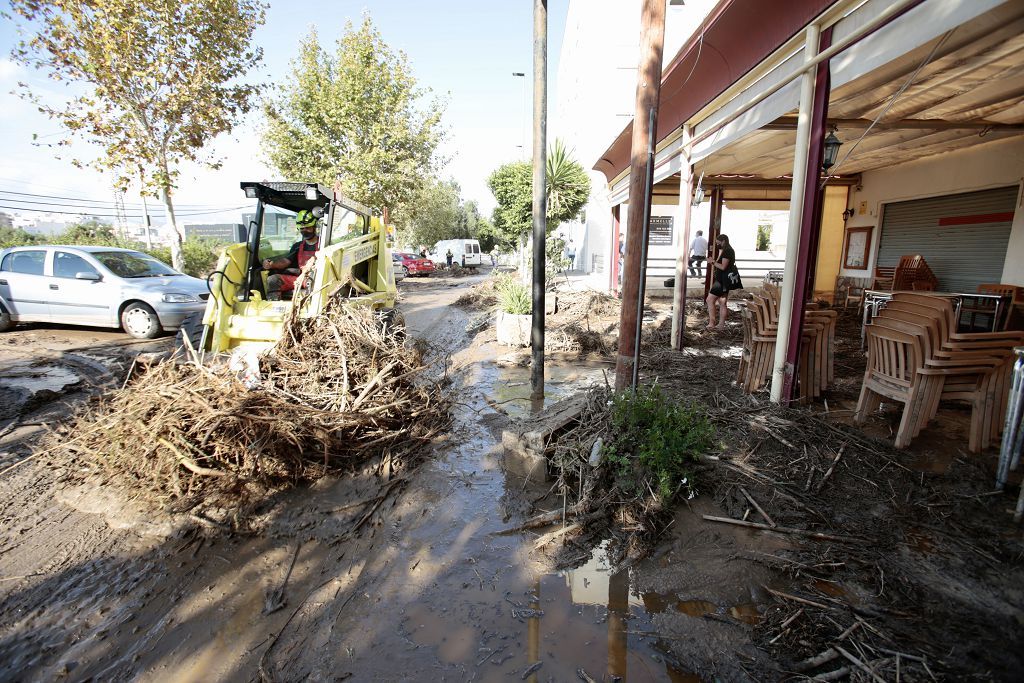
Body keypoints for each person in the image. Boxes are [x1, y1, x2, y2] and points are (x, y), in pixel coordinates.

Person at [262, 209, 319, 301]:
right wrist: (272, 264)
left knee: (311, 282)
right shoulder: (297, 246)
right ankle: (275, 307)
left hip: (315, 278)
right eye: (302, 229)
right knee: (273, 280)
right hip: (299, 278)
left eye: (308, 228)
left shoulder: (324, 244)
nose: (305, 231)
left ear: (314, 227)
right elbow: (285, 261)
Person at [706, 233, 743, 329]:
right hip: (723, 280)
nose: (717, 245)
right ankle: (721, 324)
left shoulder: (727, 251)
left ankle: (712, 323)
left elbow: (723, 267)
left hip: (722, 281)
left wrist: (712, 262)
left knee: (709, 300)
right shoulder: (725, 250)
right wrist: (715, 259)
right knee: (722, 302)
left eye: (719, 243)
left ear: (724, 241)